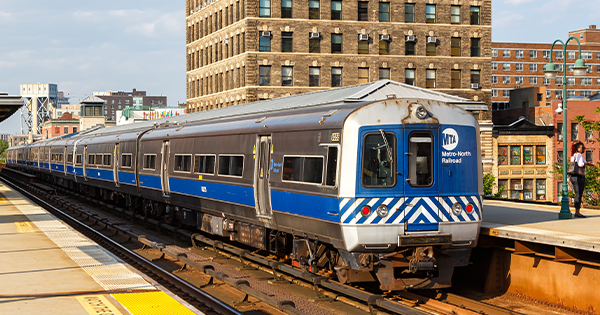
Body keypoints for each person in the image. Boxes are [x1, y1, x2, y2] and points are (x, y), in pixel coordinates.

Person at [570, 141, 593, 218]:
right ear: (578, 148)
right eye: (582, 148)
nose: (584, 149)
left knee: (577, 194)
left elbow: (582, 162)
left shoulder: (574, 155)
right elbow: (580, 164)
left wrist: (588, 163)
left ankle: (577, 211)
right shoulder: (579, 154)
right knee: (578, 194)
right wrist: (588, 164)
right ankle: (577, 212)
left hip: (573, 176)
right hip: (578, 177)